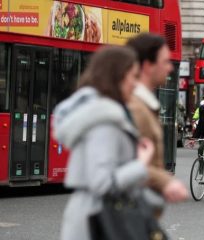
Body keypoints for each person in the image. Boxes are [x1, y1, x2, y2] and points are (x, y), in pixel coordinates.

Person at [54, 46, 154, 240]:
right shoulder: (104, 120)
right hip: (99, 222)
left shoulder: (101, 113)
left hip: (94, 218)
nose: (136, 84)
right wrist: (140, 164)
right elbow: (102, 182)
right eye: (133, 76)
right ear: (116, 76)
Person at [126, 33, 188, 205]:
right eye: (165, 62)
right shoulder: (135, 109)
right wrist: (167, 182)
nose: (170, 68)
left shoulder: (144, 105)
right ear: (148, 66)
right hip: (125, 217)